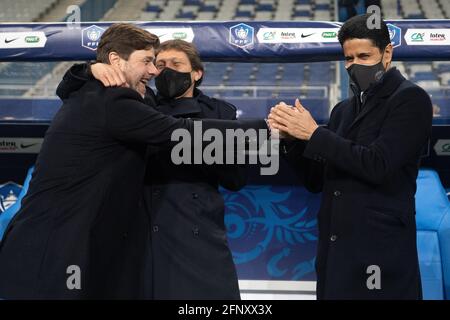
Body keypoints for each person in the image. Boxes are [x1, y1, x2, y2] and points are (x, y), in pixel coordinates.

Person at [0, 23, 266, 299]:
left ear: (197, 73)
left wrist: (88, 69)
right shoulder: (115, 100)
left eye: (170, 63)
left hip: (126, 247)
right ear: (116, 60)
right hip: (60, 248)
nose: (156, 71)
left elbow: (232, 173)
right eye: (150, 61)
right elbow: (180, 132)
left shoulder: (119, 96)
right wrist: (268, 128)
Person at [57, 40, 245, 299]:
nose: (166, 71)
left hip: (199, 232)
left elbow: (236, 178)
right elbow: (67, 90)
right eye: (160, 65)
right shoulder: (139, 102)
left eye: (176, 64)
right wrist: (90, 70)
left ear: (196, 73)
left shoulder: (220, 113)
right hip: (143, 232)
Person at [268, 14, 432, 299]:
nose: (355, 65)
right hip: (335, 254)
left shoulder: (411, 99)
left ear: (387, 53)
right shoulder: (342, 110)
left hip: (380, 253)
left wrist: (314, 134)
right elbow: (316, 180)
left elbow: (378, 165)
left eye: (364, 56)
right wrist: (291, 140)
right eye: (349, 58)